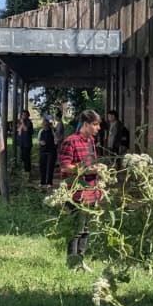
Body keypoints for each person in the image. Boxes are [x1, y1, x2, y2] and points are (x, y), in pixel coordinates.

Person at [57, 109, 103, 270]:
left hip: (91, 192)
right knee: (75, 229)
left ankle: (81, 261)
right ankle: (72, 262)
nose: (98, 128)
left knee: (86, 230)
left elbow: (90, 164)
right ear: (86, 124)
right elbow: (65, 166)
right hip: (75, 192)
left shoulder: (90, 141)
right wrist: (84, 170)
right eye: (95, 124)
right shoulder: (71, 141)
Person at [37, 116, 57, 189]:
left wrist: (55, 142)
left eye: (46, 125)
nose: (45, 126)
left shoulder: (52, 131)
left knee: (50, 167)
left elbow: (56, 139)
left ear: (48, 125)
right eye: (44, 125)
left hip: (51, 151)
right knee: (42, 167)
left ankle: (49, 182)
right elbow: (38, 141)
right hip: (43, 151)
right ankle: (42, 182)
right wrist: (40, 142)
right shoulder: (41, 131)